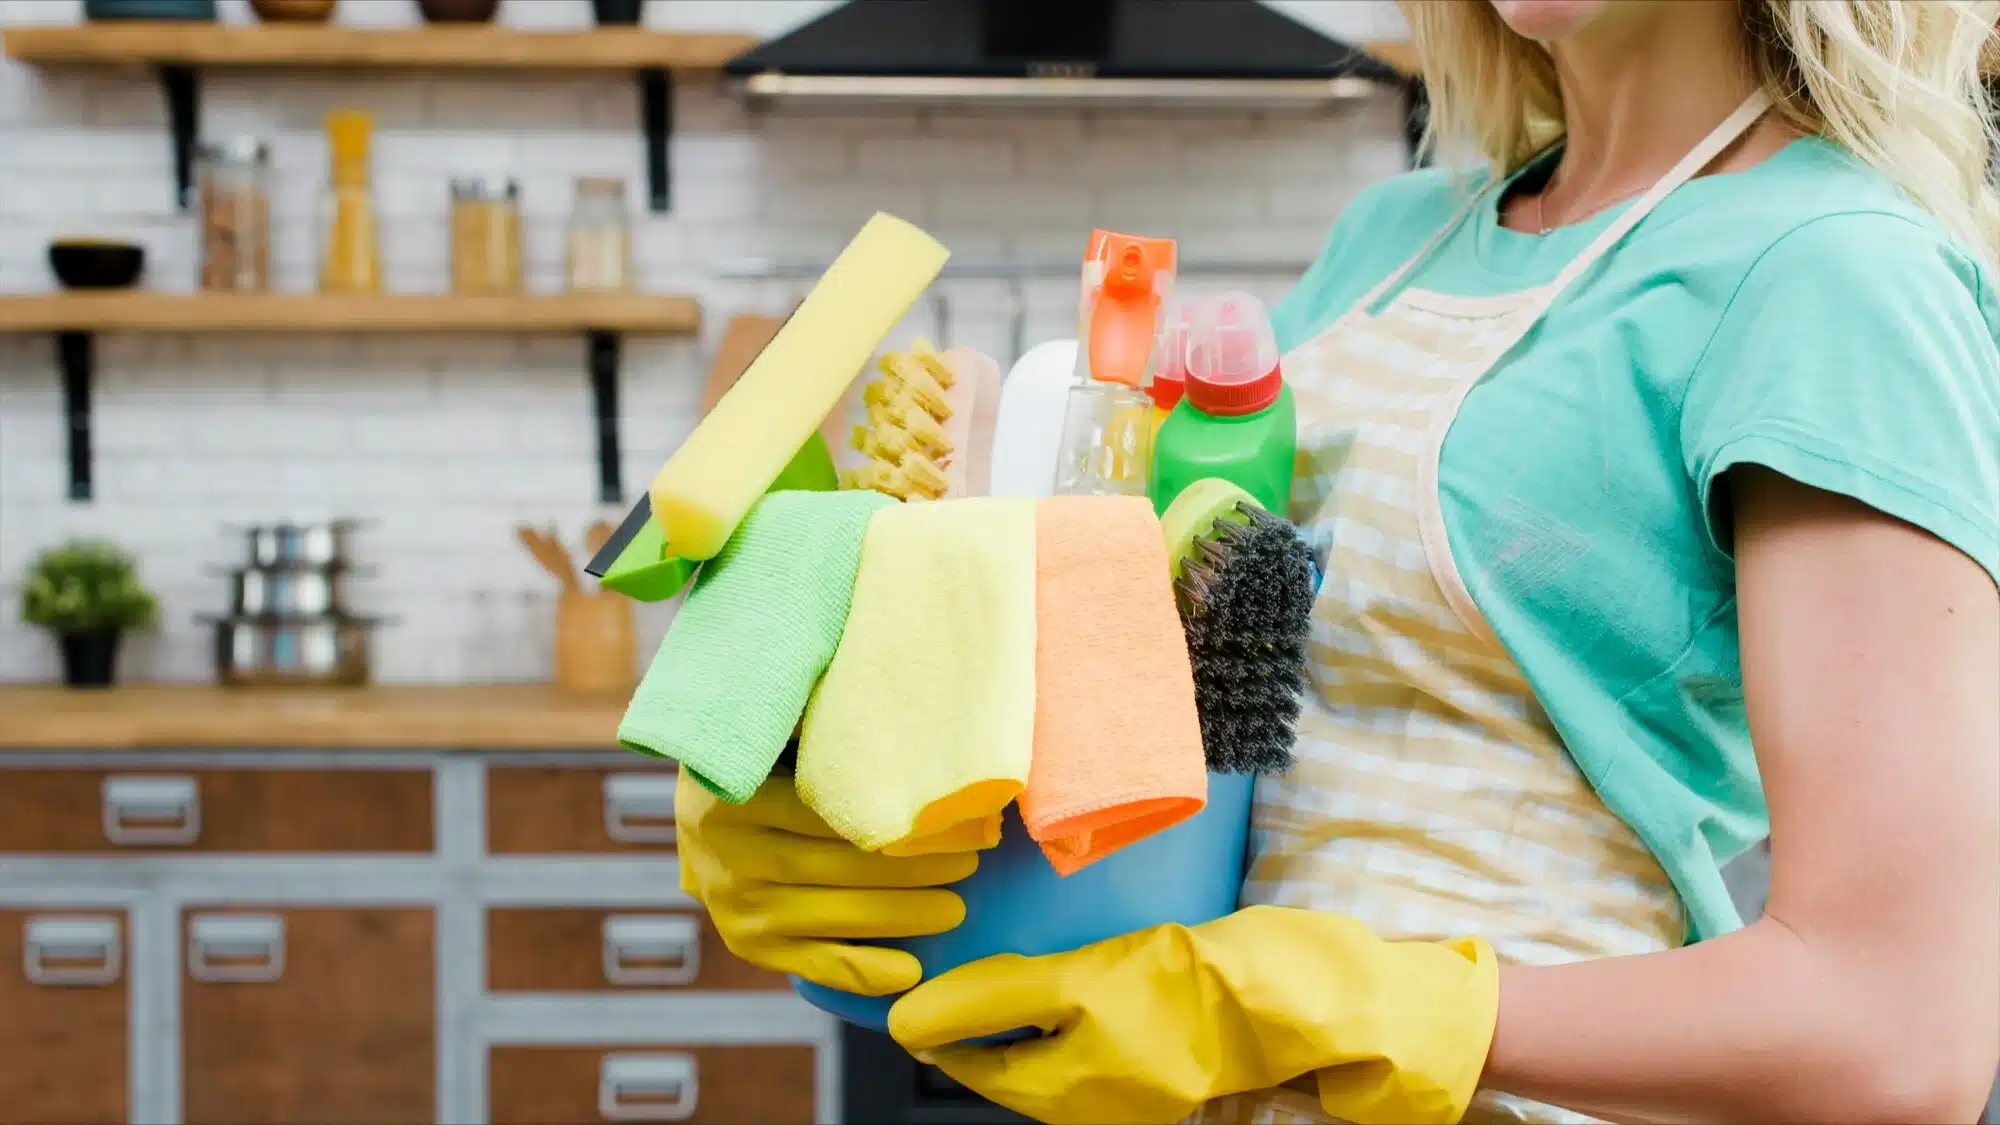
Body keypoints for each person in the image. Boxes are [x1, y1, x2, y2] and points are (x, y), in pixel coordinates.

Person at [673, 0, 2000, 1121]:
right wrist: (834, 796)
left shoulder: (1836, 276)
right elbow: (1210, 722)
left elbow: (1903, 1032)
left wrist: (1343, 1003)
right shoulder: (1396, 241)